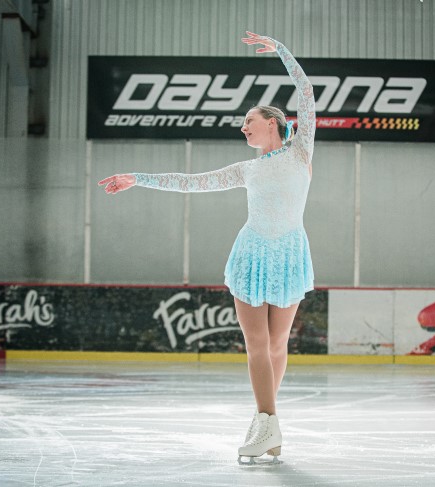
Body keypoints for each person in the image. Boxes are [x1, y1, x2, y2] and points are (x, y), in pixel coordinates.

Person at [98, 31, 315, 464]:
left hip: (291, 252)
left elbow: (306, 94)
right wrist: (138, 177)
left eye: (248, 120)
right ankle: (267, 422)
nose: (243, 126)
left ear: (271, 121)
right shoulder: (247, 169)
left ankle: (265, 424)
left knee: (277, 346)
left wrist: (281, 51)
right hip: (253, 253)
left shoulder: (301, 151)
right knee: (257, 346)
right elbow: (192, 183)